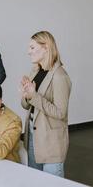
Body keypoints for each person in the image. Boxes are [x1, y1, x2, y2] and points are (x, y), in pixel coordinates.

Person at [20, 31, 72, 177]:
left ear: (46, 47)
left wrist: (34, 96)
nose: (28, 52)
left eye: (32, 47)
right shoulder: (35, 71)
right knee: (35, 180)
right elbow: (26, 105)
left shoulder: (60, 76)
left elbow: (60, 113)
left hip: (51, 141)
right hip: (32, 134)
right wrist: (26, 96)